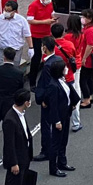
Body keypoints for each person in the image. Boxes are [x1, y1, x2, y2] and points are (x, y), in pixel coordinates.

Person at [0, 47, 26, 165]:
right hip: (9, 106)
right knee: (9, 133)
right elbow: (20, 90)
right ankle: (8, 159)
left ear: (4, 56)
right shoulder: (19, 73)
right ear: (14, 58)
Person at [44, 58, 79, 177]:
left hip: (66, 114)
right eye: (64, 67)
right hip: (59, 117)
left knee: (64, 140)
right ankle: (53, 168)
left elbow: (70, 94)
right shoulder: (53, 86)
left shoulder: (63, 81)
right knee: (55, 143)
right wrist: (57, 121)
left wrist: (73, 104)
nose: (67, 69)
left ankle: (62, 162)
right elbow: (53, 106)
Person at [32, 36, 63, 168]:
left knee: (46, 126)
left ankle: (46, 151)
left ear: (45, 47)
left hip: (48, 100)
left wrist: (43, 99)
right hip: (58, 97)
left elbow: (46, 85)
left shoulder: (48, 65)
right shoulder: (59, 60)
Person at [2, 89, 33, 185]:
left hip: (24, 158)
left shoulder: (20, 114)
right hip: (17, 162)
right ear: (26, 102)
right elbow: (9, 144)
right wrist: (14, 163)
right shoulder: (10, 119)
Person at [27, 0, 56, 87]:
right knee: (36, 59)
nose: (49, 1)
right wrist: (45, 22)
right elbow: (30, 20)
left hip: (47, 34)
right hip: (36, 35)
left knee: (48, 57)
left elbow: (51, 13)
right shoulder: (34, 5)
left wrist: (53, 19)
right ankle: (32, 84)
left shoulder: (50, 4)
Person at [0, 0, 33, 66]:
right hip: (1, 50)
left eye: (8, 11)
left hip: (15, 51)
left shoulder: (21, 20)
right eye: (5, 10)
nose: (6, 12)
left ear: (14, 11)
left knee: (14, 68)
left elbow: (27, 35)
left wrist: (31, 47)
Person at [64, 14, 85, 132]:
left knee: (68, 90)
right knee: (77, 88)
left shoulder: (68, 37)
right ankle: (76, 121)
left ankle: (70, 116)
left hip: (68, 66)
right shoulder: (81, 35)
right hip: (77, 63)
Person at [79, 8, 93, 108]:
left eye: (84, 17)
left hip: (88, 59)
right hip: (88, 58)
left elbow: (90, 46)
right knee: (88, 79)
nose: (82, 19)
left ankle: (86, 99)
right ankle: (90, 96)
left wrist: (83, 58)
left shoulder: (90, 31)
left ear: (90, 19)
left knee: (83, 79)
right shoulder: (88, 28)